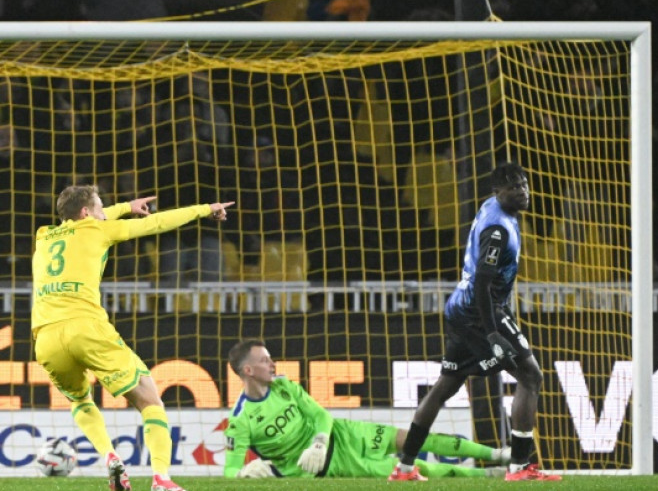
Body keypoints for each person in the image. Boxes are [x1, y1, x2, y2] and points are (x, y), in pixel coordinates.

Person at [31, 184, 234, 491]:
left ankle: (110, 456)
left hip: (45, 337)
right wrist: (205, 209)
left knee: (79, 399)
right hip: (86, 328)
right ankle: (161, 479)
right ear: (87, 213)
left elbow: (80, 220)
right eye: (100, 208)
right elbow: (156, 223)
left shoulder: (43, 236)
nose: (104, 214)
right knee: (149, 399)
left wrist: (125, 205)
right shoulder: (100, 232)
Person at [389, 162, 560, 482]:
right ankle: (520, 468)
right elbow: (483, 282)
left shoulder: (494, 207)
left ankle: (405, 468)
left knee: (445, 386)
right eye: (514, 188)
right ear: (498, 193)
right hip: (480, 310)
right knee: (530, 375)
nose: (523, 192)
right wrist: (493, 331)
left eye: (524, 185)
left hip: (461, 308)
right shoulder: (497, 230)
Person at [224, 340, 509, 479]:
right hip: (335, 465)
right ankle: (493, 477)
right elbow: (229, 471)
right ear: (248, 370)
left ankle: (498, 454)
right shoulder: (239, 421)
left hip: (346, 434)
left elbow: (320, 415)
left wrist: (319, 441)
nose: (273, 365)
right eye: (265, 361)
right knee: (416, 469)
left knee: (412, 438)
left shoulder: (283, 386)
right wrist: (243, 473)